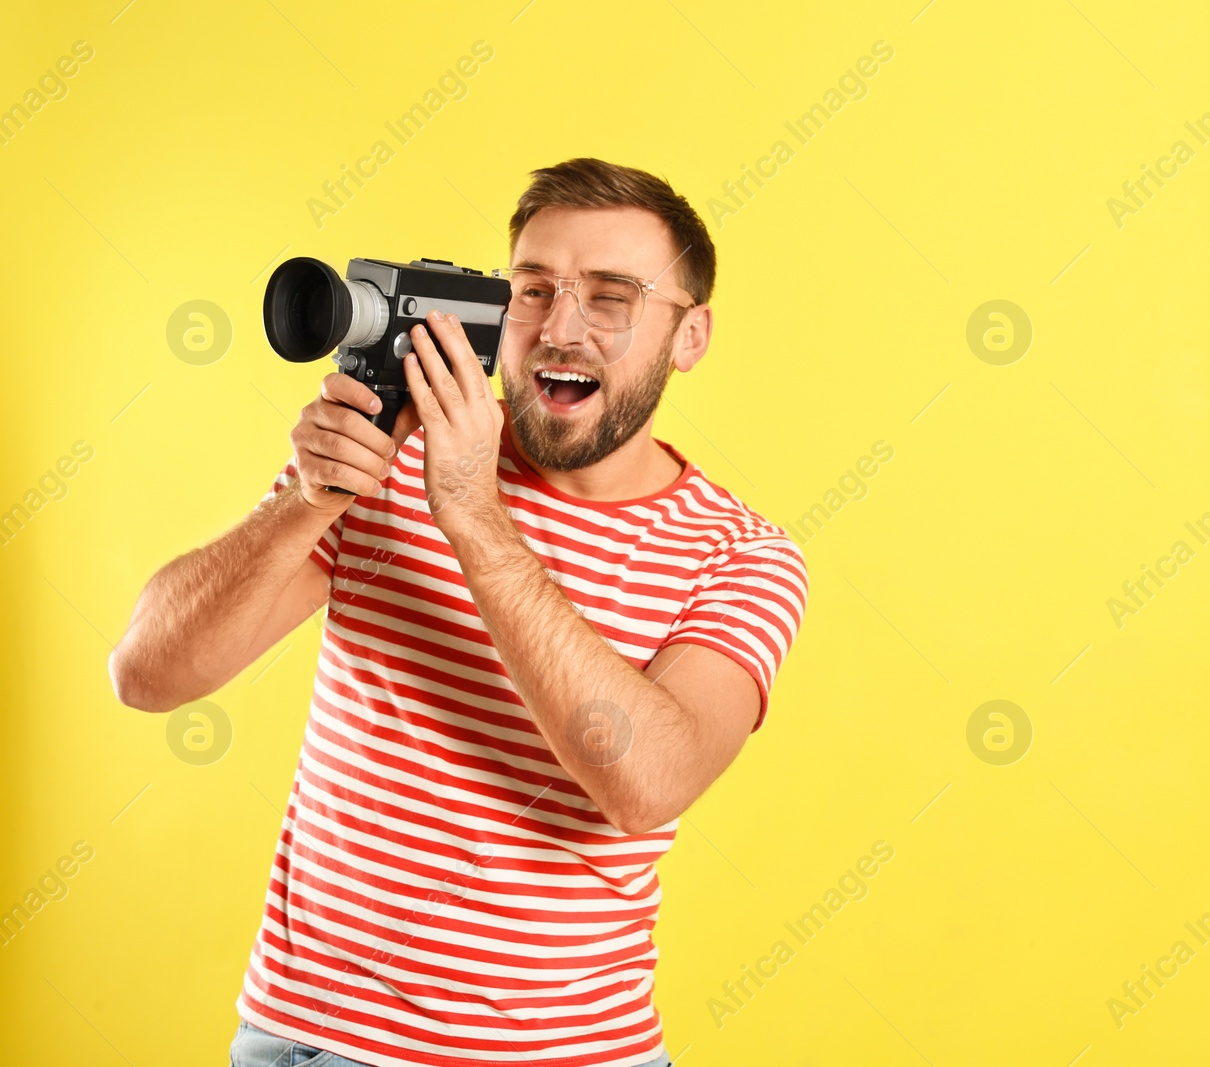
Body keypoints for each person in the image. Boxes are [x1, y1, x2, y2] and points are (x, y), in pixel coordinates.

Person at [108, 157, 808, 1067]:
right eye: (534, 289)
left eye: (610, 296)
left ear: (691, 335)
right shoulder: (395, 458)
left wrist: (473, 510)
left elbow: (645, 783)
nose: (560, 328)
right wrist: (309, 500)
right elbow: (147, 674)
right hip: (312, 1039)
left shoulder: (741, 554)